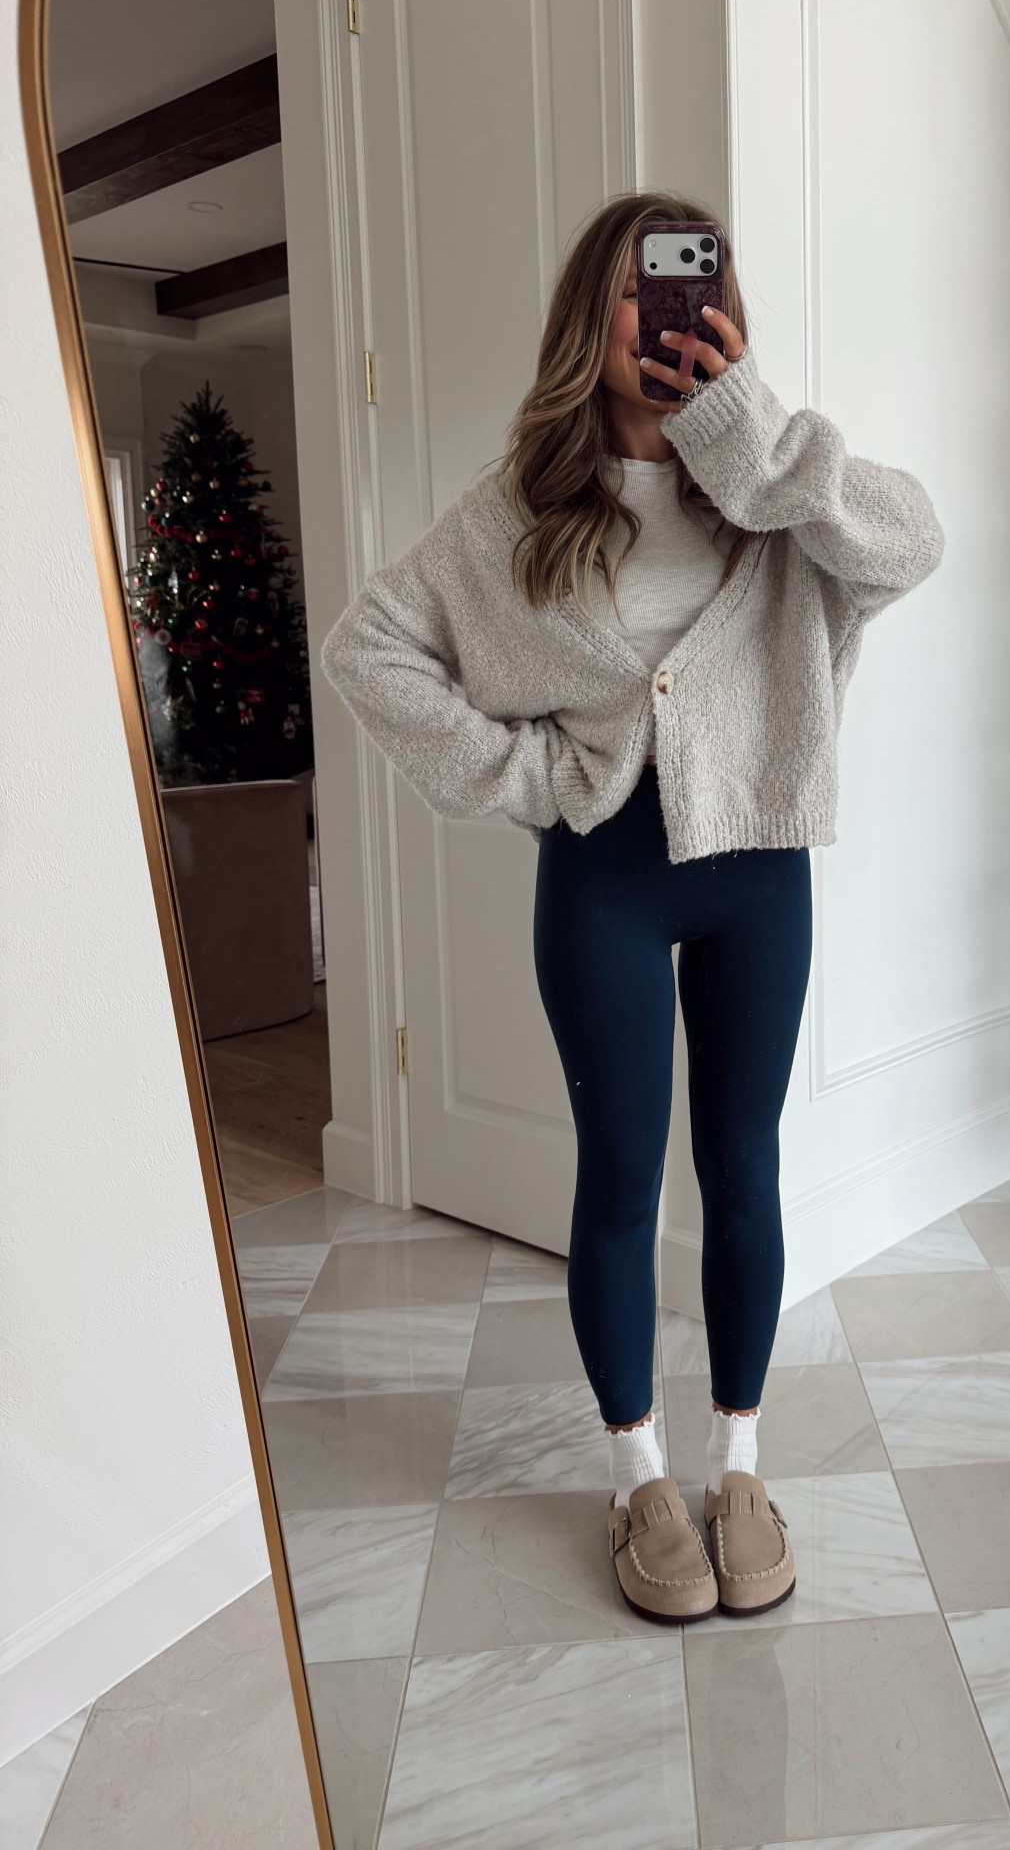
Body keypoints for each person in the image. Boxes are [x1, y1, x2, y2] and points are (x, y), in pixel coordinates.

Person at [320, 190, 945, 1623]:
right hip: (601, 876)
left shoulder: (777, 496)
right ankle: (639, 1478)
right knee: (619, 1178)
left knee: (744, 1167)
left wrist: (751, 435)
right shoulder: (519, 515)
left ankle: (740, 1467)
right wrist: (526, 773)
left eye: (692, 286)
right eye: (635, 289)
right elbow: (370, 648)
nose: (663, 314)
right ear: (585, 318)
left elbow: (910, 544)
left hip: (759, 872)